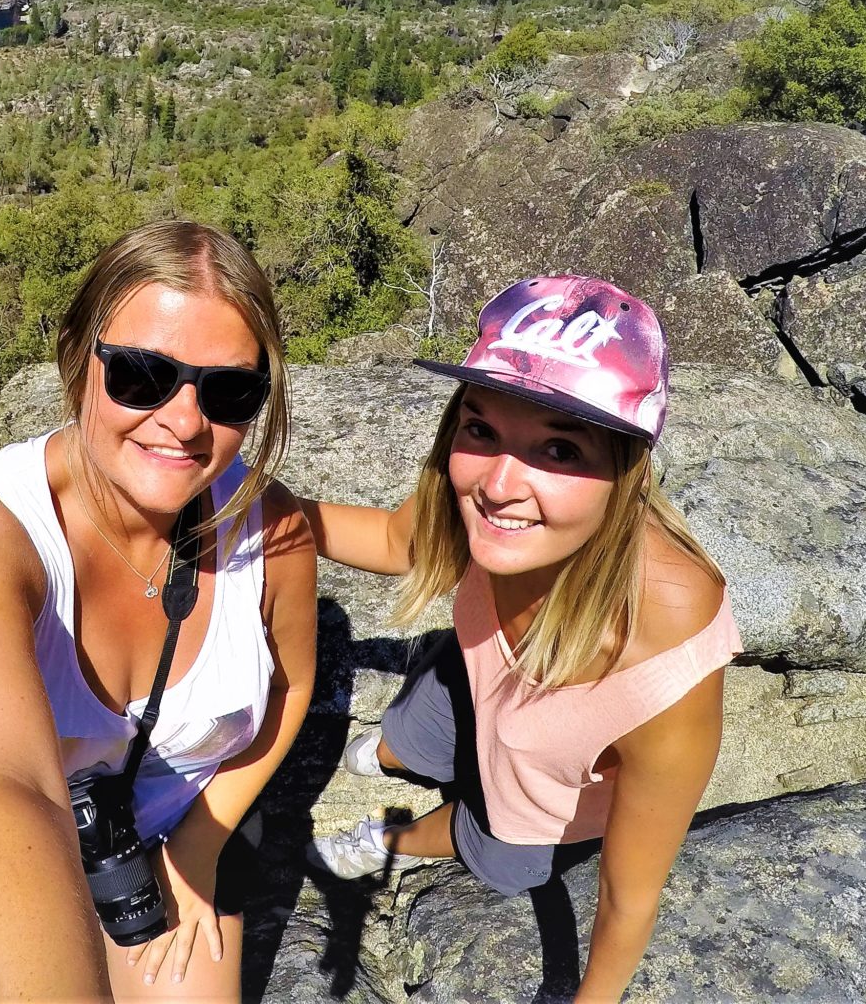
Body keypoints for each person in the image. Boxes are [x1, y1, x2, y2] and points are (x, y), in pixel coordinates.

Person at [0, 220, 318, 1001]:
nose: (186, 420)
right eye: (140, 374)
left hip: (185, 826)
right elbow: (10, 784)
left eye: (230, 391)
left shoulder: (274, 531)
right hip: (50, 843)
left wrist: (200, 842)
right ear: (77, 358)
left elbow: (291, 691)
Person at [299, 274, 738, 1004]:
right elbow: (388, 537)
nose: (501, 485)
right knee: (413, 732)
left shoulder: (665, 647)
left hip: (547, 789)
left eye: (561, 450)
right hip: (475, 674)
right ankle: (387, 755)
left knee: (499, 849)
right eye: (482, 429)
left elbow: (630, 899)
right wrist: (263, 510)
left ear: (625, 470)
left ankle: (390, 839)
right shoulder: (469, 494)